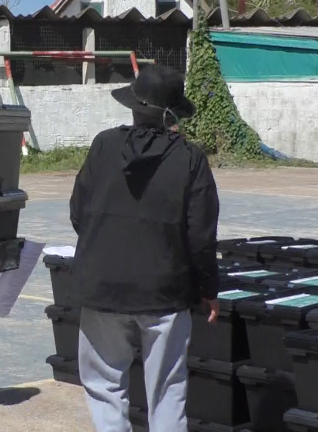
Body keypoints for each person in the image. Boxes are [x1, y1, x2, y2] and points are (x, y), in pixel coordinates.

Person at [69, 65, 221, 432]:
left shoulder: (104, 145)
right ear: (173, 114)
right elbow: (200, 235)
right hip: (164, 292)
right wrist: (208, 290)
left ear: (134, 108)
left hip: (101, 288)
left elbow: (78, 213)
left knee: (105, 386)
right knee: (167, 390)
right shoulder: (189, 159)